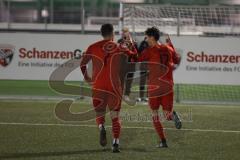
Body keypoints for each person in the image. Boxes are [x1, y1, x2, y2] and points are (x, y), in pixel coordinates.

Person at [80, 24, 136, 153]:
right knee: (115, 116)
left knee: (100, 112)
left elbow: (83, 64)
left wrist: (88, 78)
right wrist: (131, 44)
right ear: (112, 34)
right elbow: (134, 56)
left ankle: (101, 127)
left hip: (98, 86)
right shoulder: (118, 47)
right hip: (114, 86)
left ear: (101, 33)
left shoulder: (93, 47)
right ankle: (115, 143)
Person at [138, 27, 182, 148]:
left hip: (154, 86)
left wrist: (134, 48)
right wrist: (170, 44)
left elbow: (137, 59)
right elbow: (177, 59)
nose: (145, 39)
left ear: (152, 37)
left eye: (146, 37)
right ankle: (173, 116)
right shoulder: (167, 48)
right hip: (167, 85)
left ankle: (163, 141)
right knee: (167, 115)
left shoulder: (149, 51)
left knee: (154, 113)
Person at [117, 27, 138, 102]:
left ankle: (126, 95)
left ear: (128, 32)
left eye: (125, 31)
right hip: (122, 64)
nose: (124, 33)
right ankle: (119, 94)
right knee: (121, 80)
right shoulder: (119, 41)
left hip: (131, 64)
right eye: (123, 32)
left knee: (129, 80)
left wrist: (131, 45)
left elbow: (136, 54)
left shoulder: (134, 42)